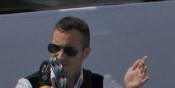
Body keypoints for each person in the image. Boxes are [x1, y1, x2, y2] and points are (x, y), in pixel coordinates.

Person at [15, 16, 149, 88]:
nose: (60, 56)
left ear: (85, 53)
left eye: (69, 50)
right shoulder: (28, 85)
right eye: (55, 48)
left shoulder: (101, 84)